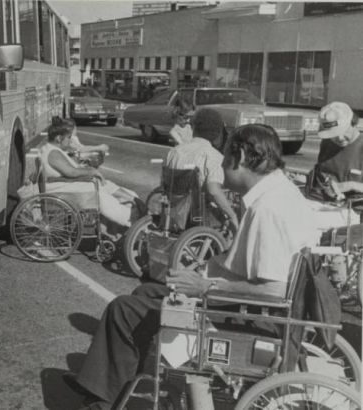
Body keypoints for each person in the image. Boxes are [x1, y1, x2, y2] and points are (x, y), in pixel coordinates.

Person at [63, 124, 317, 410]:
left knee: (123, 310)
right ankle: (102, 385)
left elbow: (275, 289)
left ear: (242, 156)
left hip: (254, 319)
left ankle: (100, 398)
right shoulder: (281, 193)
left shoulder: (268, 209)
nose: (221, 165)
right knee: (146, 292)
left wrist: (204, 287)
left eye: (225, 158)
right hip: (258, 312)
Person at [39, 117, 141, 231]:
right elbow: (72, 172)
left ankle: (130, 208)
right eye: (68, 138)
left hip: (61, 185)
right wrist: (93, 171)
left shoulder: (49, 149)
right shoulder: (53, 153)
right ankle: (130, 218)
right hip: (61, 189)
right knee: (99, 194)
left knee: (102, 187)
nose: (70, 140)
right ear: (59, 138)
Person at [166, 108, 239, 234]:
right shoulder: (213, 156)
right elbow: (213, 190)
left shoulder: (175, 151)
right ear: (217, 134)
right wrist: (232, 215)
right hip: (199, 216)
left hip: (172, 210)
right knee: (232, 213)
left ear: (194, 129)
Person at [314, 102, 363, 203]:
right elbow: (321, 176)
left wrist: (350, 185)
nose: (340, 138)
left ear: (353, 122)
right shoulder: (326, 144)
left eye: (344, 131)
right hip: (326, 205)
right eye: (333, 134)